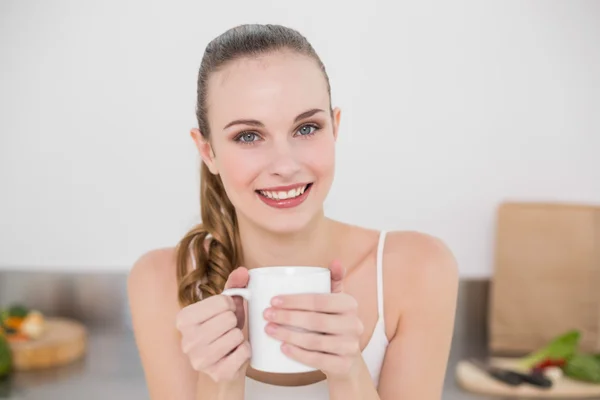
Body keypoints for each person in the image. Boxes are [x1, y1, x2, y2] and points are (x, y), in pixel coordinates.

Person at [127, 24, 459, 400]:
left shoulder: (418, 270)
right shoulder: (160, 282)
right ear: (208, 152)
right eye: (248, 136)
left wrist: (349, 372)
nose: (284, 165)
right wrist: (221, 382)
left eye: (306, 128)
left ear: (334, 128)